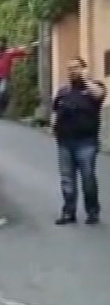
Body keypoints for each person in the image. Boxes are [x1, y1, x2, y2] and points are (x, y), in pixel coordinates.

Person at [52, 57, 106, 225]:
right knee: (67, 179)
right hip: (65, 141)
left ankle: (92, 212)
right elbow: (55, 110)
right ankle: (68, 212)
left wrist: (86, 78)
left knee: (87, 178)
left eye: (76, 67)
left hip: (86, 142)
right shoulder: (64, 91)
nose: (72, 71)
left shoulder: (95, 87)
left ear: (84, 69)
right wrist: (54, 127)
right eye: (69, 68)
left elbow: (98, 95)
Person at [0, 39, 28, 117]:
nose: (0, 46)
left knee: (1, 94)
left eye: (1, 44)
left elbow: (21, 53)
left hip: (4, 77)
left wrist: (22, 49)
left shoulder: (8, 53)